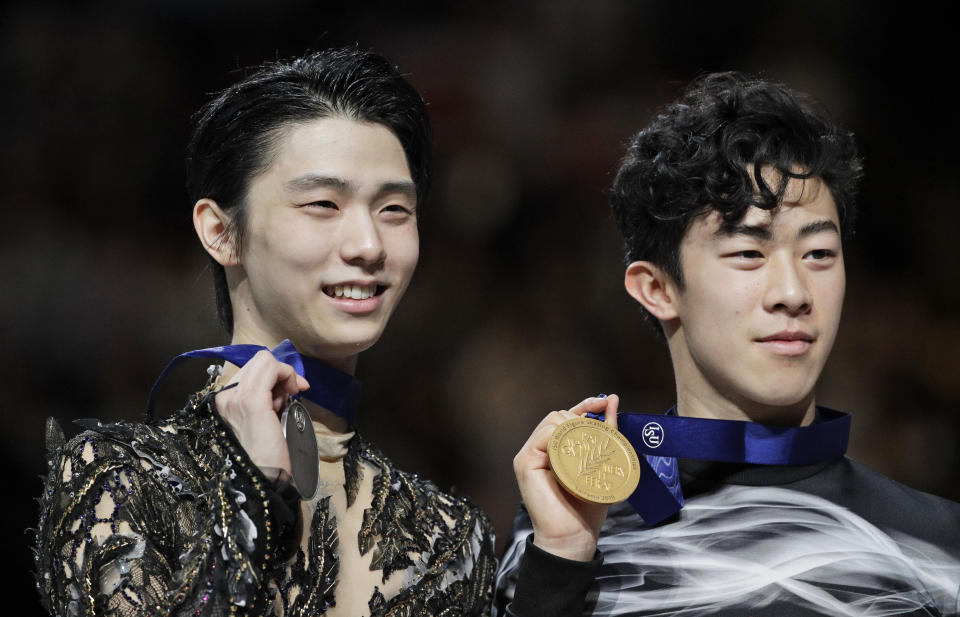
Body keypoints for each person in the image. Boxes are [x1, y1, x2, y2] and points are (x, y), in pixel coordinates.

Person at [34, 47, 496, 616]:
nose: (370, 245)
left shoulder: (448, 535)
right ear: (222, 231)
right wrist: (250, 502)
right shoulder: (124, 483)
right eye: (323, 203)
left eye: (394, 209)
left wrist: (556, 571)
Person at [495, 72, 960, 616]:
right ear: (658, 288)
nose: (793, 293)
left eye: (819, 255)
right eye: (748, 254)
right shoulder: (566, 538)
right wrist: (560, 566)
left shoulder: (938, 554)